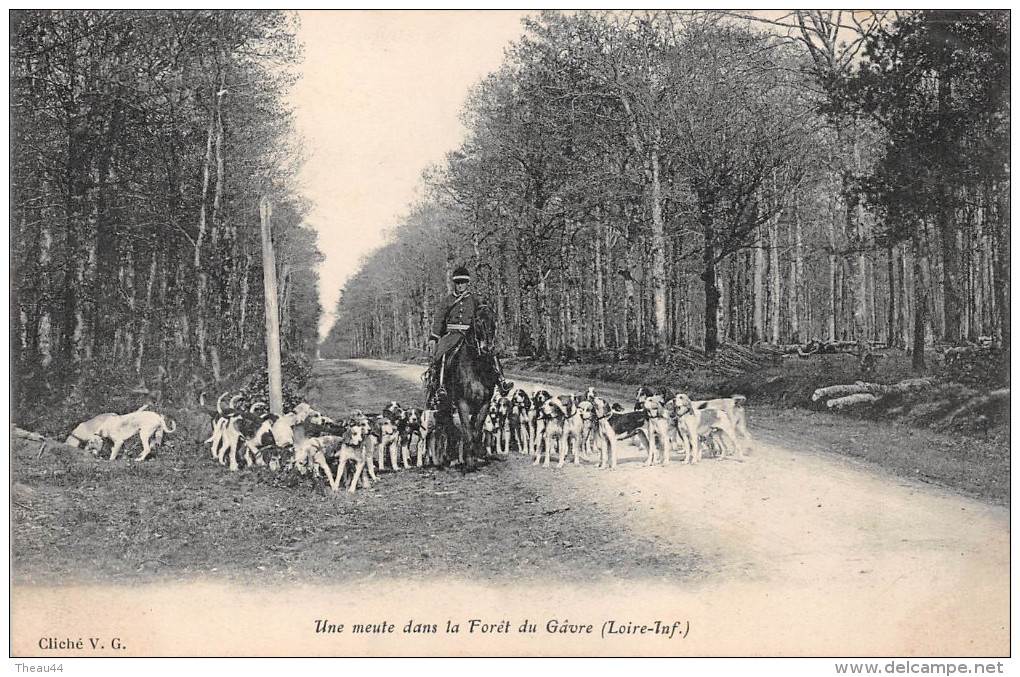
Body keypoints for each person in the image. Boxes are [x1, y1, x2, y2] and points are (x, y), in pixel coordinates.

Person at [425, 266, 512, 406]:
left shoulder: (474, 300)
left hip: (470, 334)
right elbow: (439, 319)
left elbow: (483, 315)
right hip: (451, 335)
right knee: (440, 356)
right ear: (455, 284)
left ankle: (502, 381)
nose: (460, 286)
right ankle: (440, 386)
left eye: (463, 283)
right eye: (458, 283)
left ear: (467, 283)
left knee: (490, 353)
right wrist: (434, 336)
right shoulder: (447, 301)